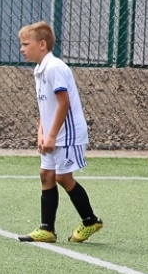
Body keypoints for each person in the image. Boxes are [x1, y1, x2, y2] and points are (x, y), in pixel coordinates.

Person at [17, 21, 103, 244]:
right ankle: (47, 229)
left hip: (68, 134)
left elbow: (63, 104)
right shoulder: (40, 69)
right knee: (46, 175)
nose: (22, 48)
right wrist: (41, 132)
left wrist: (53, 135)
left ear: (42, 44)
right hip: (54, 132)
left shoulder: (55, 68)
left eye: (26, 44)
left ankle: (90, 221)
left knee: (63, 177)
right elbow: (46, 107)